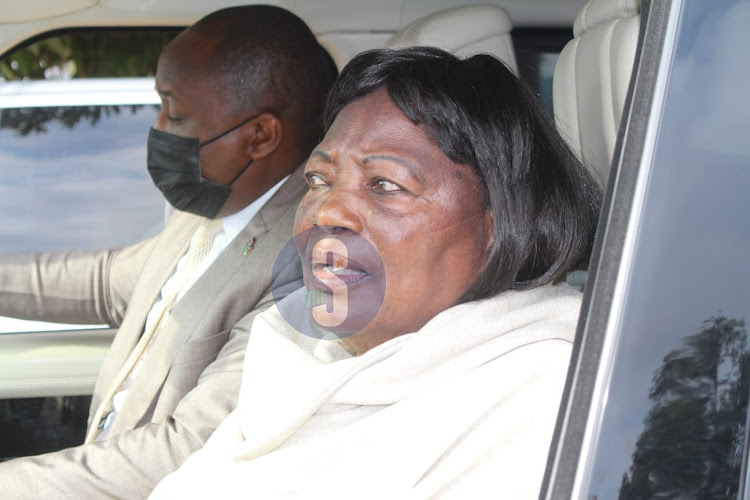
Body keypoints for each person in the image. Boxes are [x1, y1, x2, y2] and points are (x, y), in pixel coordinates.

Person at [149, 46, 602, 499]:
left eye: (385, 184)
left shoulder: (545, 396)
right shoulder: (292, 352)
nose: (327, 212)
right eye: (319, 180)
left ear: (500, 222)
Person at [0, 5, 336, 498]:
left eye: (174, 112)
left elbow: (188, 449)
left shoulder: (306, 267)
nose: (157, 127)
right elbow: (107, 282)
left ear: (260, 135)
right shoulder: (211, 206)